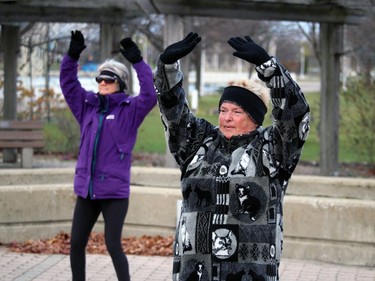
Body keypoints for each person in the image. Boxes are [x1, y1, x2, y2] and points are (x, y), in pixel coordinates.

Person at [154, 32, 310, 281]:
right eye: (223, 110)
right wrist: (167, 68)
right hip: (195, 271)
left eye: (237, 111)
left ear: (255, 118)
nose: (226, 117)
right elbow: (173, 114)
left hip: (252, 273)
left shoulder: (271, 149)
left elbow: (295, 117)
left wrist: (269, 68)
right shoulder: (198, 141)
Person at [60, 30, 157, 281]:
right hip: (87, 189)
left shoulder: (130, 110)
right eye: (100, 79)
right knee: (76, 244)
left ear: (120, 83)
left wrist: (138, 62)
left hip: (114, 191)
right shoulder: (86, 107)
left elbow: (150, 94)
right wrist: (72, 56)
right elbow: (68, 85)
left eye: (109, 79)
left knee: (113, 245)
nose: (103, 83)